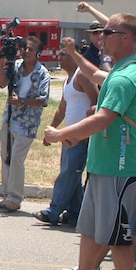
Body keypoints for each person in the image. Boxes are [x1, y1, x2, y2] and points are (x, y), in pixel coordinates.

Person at [42, 14, 136, 270]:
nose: (101, 36)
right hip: (105, 165)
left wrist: (62, 133)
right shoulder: (121, 71)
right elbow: (95, 76)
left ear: (127, 38)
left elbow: (104, 118)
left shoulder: (126, 76)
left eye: (108, 32)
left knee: (118, 237)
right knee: (90, 230)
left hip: (120, 168)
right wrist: (75, 54)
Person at [36, 43, 97, 226]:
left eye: (64, 55)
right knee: (72, 175)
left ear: (74, 56)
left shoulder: (82, 76)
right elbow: (62, 109)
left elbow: (97, 102)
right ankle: (74, 213)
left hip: (81, 137)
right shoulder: (68, 80)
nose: (59, 58)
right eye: (60, 54)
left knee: (68, 174)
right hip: (68, 136)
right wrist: (52, 131)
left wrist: (88, 132)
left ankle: (54, 211)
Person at [0, 35, 51, 212]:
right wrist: (2, 60)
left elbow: (43, 99)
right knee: (7, 157)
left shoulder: (42, 73)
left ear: (38, 53)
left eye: (31, 49)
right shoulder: (15, 66)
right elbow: (2, 83)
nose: (26, 51)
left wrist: (22, 101)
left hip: (27, 123)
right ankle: (7, 195)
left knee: (17, 158)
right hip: (10, 118)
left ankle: (15, 198)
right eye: (24, 48)